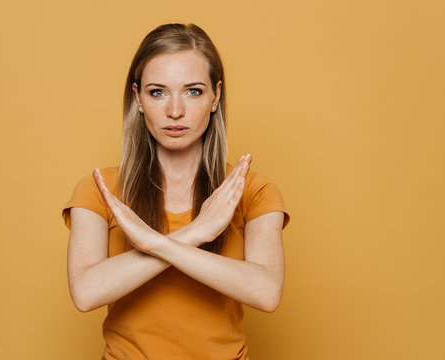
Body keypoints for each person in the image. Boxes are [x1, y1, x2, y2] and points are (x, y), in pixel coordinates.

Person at [62, 23, 290, 360]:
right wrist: (196, 232)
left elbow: (267, 292)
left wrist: (154, 242)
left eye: (193, 91)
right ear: (137, 98)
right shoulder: (100, 190)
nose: (175, 111)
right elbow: (85, 292)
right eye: (158, 92)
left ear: (216, 97)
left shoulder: (251, 191)